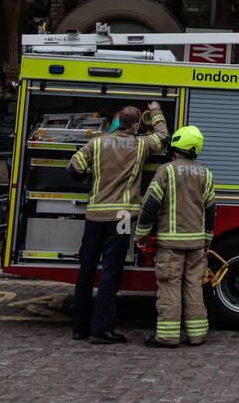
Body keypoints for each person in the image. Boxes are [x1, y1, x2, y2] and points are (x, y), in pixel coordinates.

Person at [67, 101, 169, 344]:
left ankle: (79, 328)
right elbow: (163, 137)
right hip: (122, 217)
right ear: (135, 126)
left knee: (86, 270)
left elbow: (74, 168)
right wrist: (155, 110)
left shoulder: (98, 142)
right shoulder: (140, 144)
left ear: (117, 122)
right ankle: (101, 330)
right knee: (110, 272)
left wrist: (90, 180)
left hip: (95, 215)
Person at [134, 125, 217, 348]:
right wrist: (207, 238)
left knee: (170, 286)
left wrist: (140, 235)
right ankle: (197, 334)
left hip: (171, 244)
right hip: (197, 244)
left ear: (177, 145)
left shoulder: (167, 171)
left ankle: (168, 336)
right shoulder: (205, 174)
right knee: (193, 287)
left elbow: (150, 206)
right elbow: (211, 211)